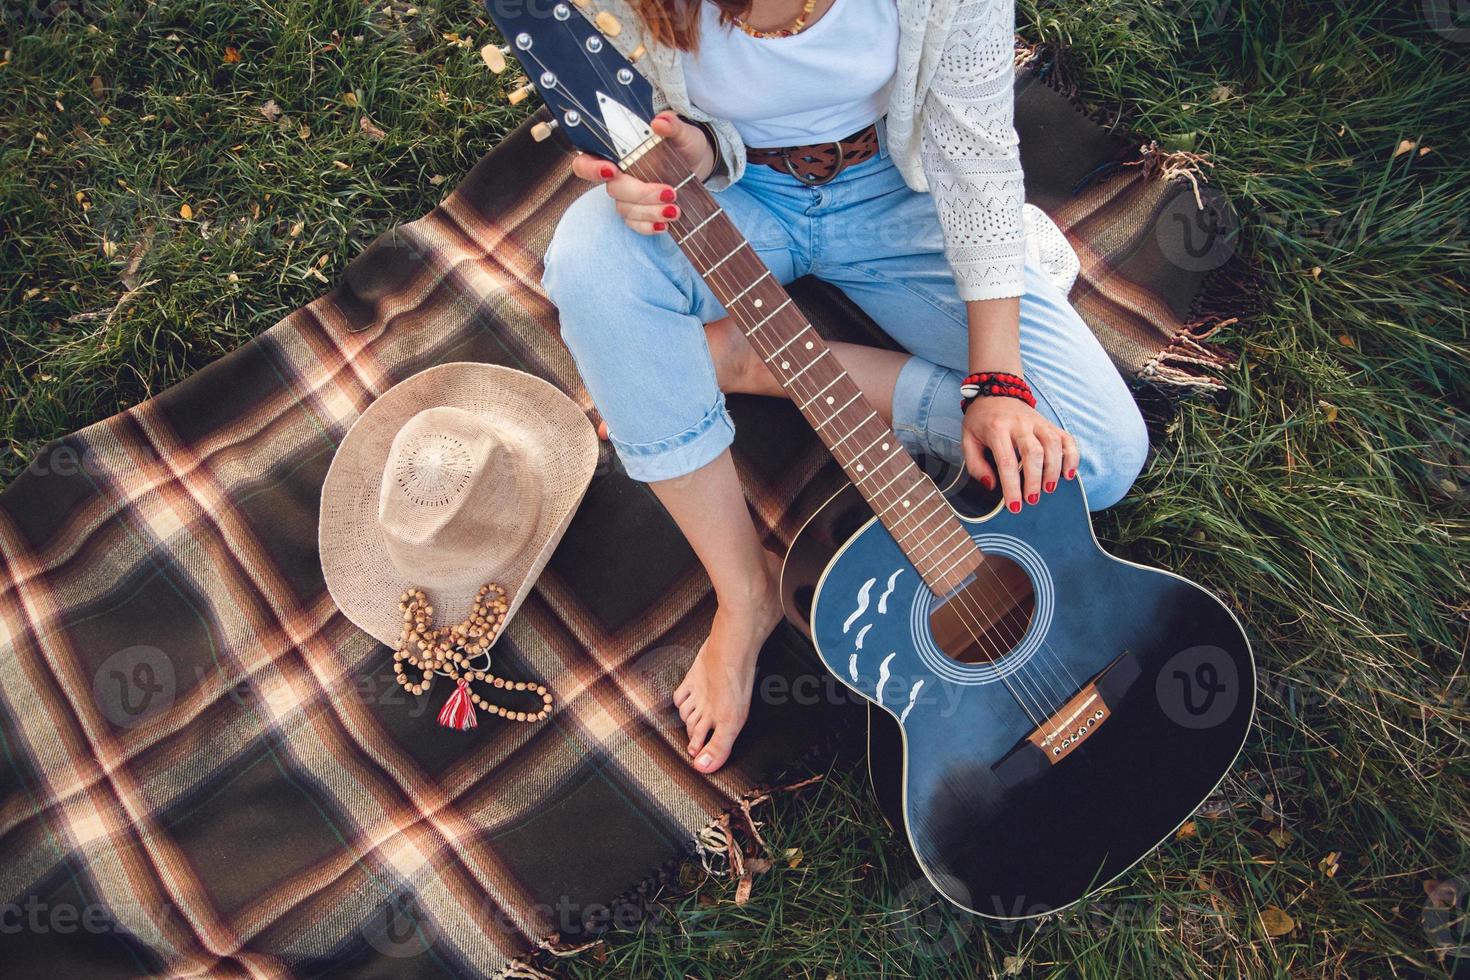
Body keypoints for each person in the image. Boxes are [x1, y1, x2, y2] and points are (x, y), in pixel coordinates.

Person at [541, 0, 1148, 775]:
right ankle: (746, 591)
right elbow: (640, 116)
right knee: (592, 261)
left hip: (901, 193)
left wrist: (998, 383)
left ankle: (751, 363)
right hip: (735, 198)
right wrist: (683, 150)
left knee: (1091, 458)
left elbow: (977, 155)